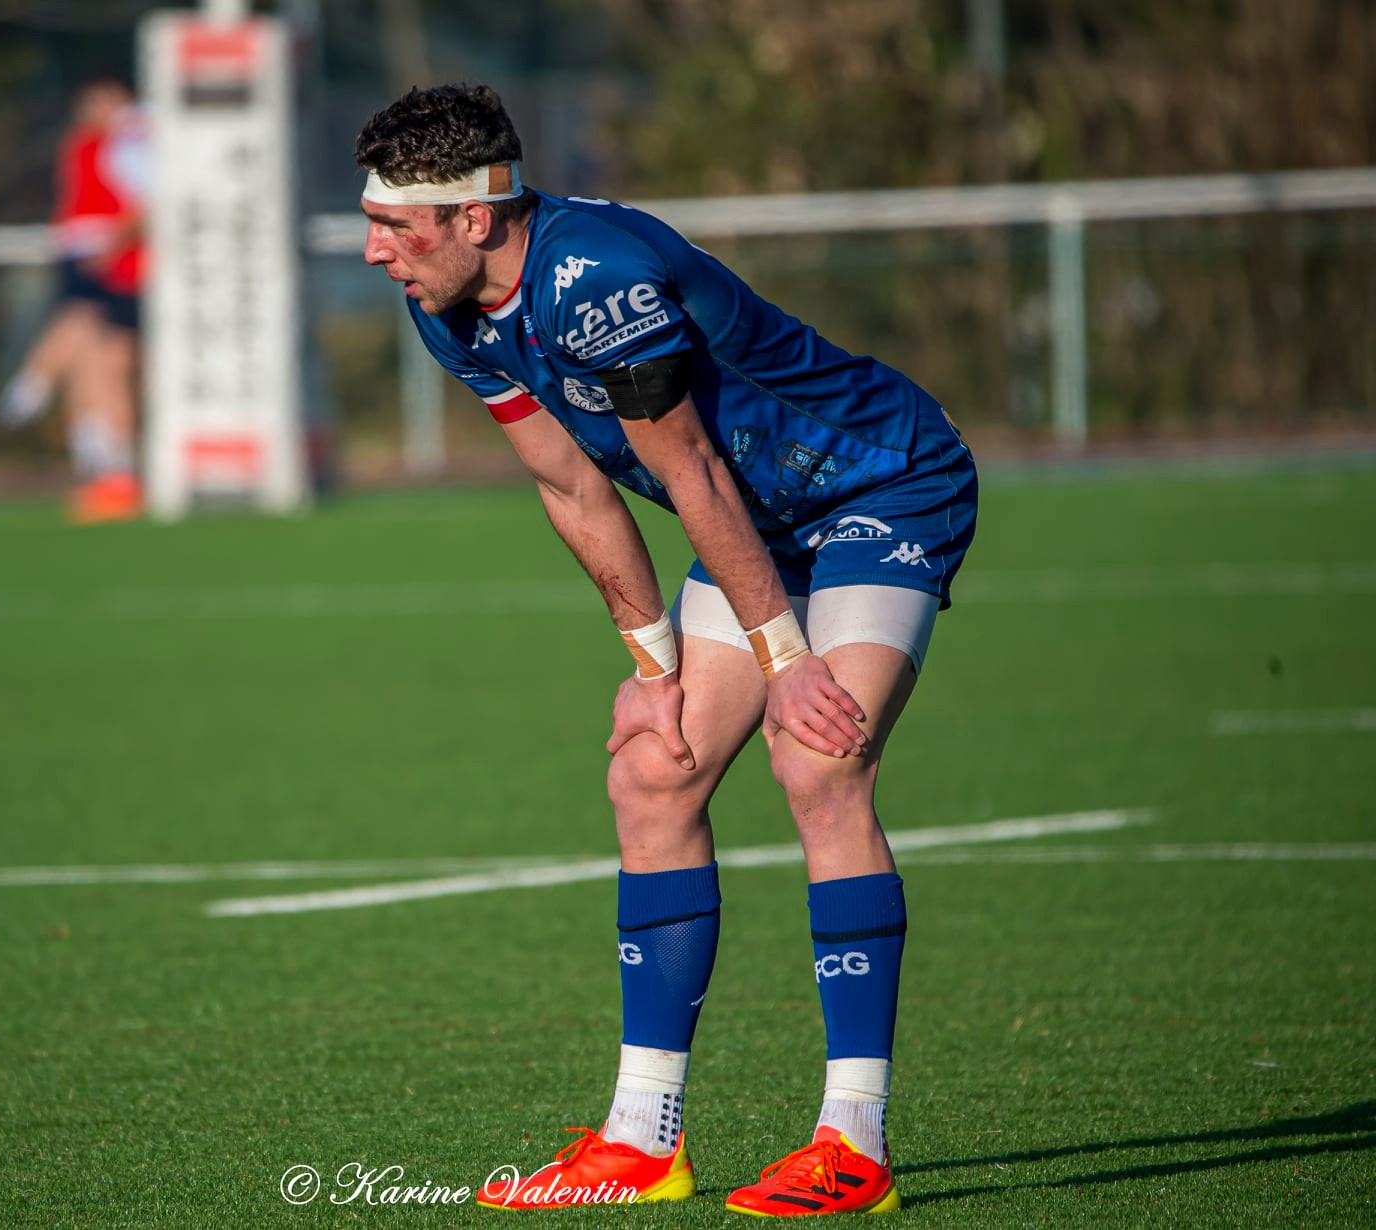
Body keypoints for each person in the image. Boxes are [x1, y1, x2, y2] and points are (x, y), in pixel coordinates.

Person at [355, 84, 978, 1216]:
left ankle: (855, 1141)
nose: (373, 251)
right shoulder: (445, 305)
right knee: (652, 770)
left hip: (881, 483)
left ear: (476, 218)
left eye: (397, 228)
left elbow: (685, 472)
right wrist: (653, 672)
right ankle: (644, 1138)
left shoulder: (597, 280)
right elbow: (572, 484)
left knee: (820, 762)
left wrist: (787, 665)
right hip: (754, 519)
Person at [0, 77, 153, 523]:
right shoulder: (84, 142)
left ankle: (32, 385)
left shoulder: (134, 136)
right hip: (89, 255)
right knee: (90, 364)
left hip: (120, 264)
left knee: (107, 362)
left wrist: (114, 240)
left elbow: (150, 202)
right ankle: (100, 471)